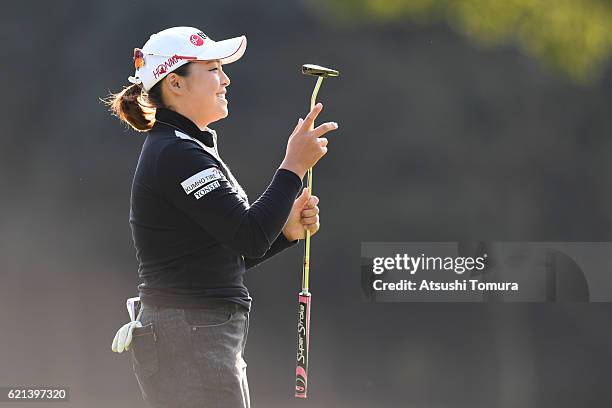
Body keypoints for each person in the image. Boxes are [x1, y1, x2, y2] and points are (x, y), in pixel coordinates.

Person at [106, 26, 338, 408]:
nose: (225, 79)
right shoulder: (177, 154)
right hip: (191, 336)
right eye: (212, 68)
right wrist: (293, 166)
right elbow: (247, 235)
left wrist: (286, 233)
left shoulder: (185, 148)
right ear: (176, 84)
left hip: (195, 334)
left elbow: (222, 254)